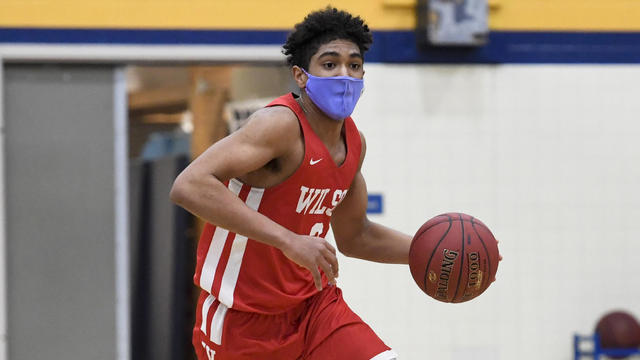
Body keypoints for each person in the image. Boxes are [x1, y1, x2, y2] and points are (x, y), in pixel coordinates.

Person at [170, 7, 412, 360]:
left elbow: (356, 235)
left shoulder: (354, 144)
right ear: (301, 76)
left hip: (314, 309)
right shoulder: (278, 125)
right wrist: (288, 240)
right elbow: (189, 185)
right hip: (242, 319)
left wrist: (427, 251)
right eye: (330, 64)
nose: (344, 74)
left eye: (354, 65)